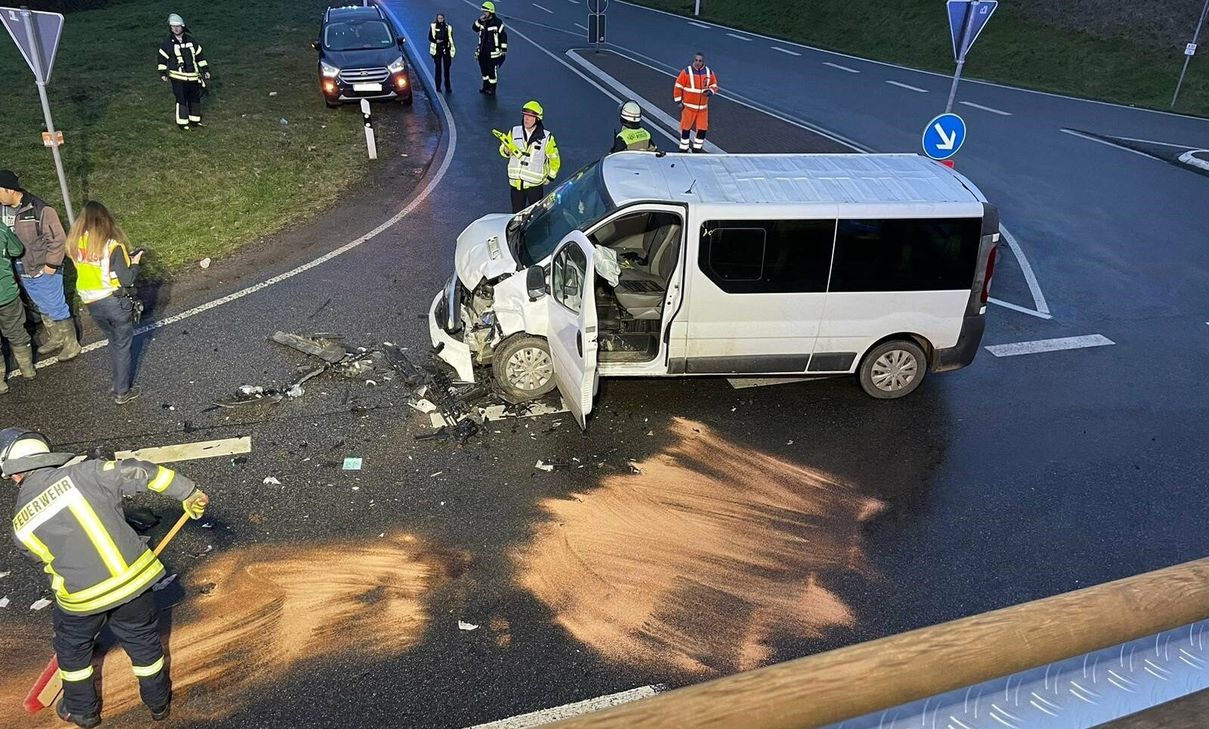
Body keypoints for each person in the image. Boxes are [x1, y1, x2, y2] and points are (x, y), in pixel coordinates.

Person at [4, 428, 209, 727]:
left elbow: (44, 561)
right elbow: (142, 470)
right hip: (134, 584)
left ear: (15, 475)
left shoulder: (19, 524)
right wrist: (189, 493)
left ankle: (82, 711)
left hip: (82, 599)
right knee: (143, 643)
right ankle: (158, 704)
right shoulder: (87, 473)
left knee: (73, 652)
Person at [68, 202, 144, 405]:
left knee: (113, 340)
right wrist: (135, 264)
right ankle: (121, 392)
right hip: (114, 302)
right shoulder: (112, 246)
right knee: (122, 345)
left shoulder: (76, 243)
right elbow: (127, 279)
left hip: (92, 303)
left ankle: (118, 379)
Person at [0, 169, 81, 361]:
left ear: (10, 190)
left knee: (56, 306)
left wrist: (51, 266)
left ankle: (71, 344)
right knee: (41, 305)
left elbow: (58, 240)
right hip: (21, 269)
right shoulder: (1, 208)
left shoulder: (40, 209)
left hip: (44, 268)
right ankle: (56, 337)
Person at [499, 100, 560, 213]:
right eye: (525, 115)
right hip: (516, 184)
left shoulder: (546, 137)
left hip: (534, 186)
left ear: (537, 119)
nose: (526, 119)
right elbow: (503, 149)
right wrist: (506, 151)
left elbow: (554, 159)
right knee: (516, 217)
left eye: (531, 117)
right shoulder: (514, 131)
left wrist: (550, 177)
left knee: (534, 216)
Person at [156, 13, 211, 129]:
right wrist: (162, 73)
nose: (175, 29)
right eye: (173, 27)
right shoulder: (167, 43)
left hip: (193, 76)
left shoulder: (191, 41)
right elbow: (162, 59)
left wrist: (205, 70)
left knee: (195, 98)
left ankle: (195, 121)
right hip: (177, 78)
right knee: (181, 99)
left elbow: (200, 56)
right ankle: (182, 123)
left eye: (177, 26)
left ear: (183, 26)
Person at [0, 222, 36, 393]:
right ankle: (28, 369)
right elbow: (16, 250)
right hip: (7, 291)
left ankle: (1, 382)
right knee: (16, 330)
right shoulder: (1, 227)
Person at [673, 52, 718, 152]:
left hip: (703, 109)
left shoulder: (709, 72)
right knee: (686, 129)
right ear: (693, 60)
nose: (698, 62)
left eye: (700, 60)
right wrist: (678, 101)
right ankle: (683, 148)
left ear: (703, 61)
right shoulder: (686, 72)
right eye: (696, 60)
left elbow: (714, 85)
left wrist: (710, 91)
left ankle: (697, 148)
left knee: (702, 129)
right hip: (688, 107)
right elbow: (678, 86)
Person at [473, 2, 507, 95]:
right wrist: (479, 20)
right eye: (483, 11)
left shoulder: (497, 23)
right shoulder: (482, 21)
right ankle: (485, 86)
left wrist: (504, 50)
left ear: (491, 12)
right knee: (484, 70)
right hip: (482, 50)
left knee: (491, 71)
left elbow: (503, 36)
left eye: (485, 11)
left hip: (493, 52)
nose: (483, 13)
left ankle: (492, 89)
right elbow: (474, 28)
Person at [429, 13, 456, 93]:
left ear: (444, 19)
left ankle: (448, 87)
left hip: (446, 50)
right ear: (437, 18)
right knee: (438, 69)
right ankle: (438, 87)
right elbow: (430, 37)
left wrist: (451, 49)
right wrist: (436, 41)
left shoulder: (448, 27)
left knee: (446, 70)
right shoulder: (433, 26)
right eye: (439, 18)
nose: (440, 19)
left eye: (441, 18)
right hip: (437, 51)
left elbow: (450, 38)